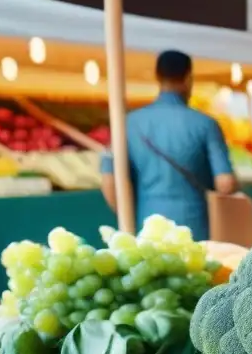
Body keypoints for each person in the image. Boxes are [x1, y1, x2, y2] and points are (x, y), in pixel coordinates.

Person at [101, 50, 236, 242]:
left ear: (157, 76)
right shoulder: (205, 124)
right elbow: (225, 182)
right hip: (195, 228)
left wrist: (128, 219)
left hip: (147, 228)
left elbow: (109, 181)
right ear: (189, 78)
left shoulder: (128, 124)